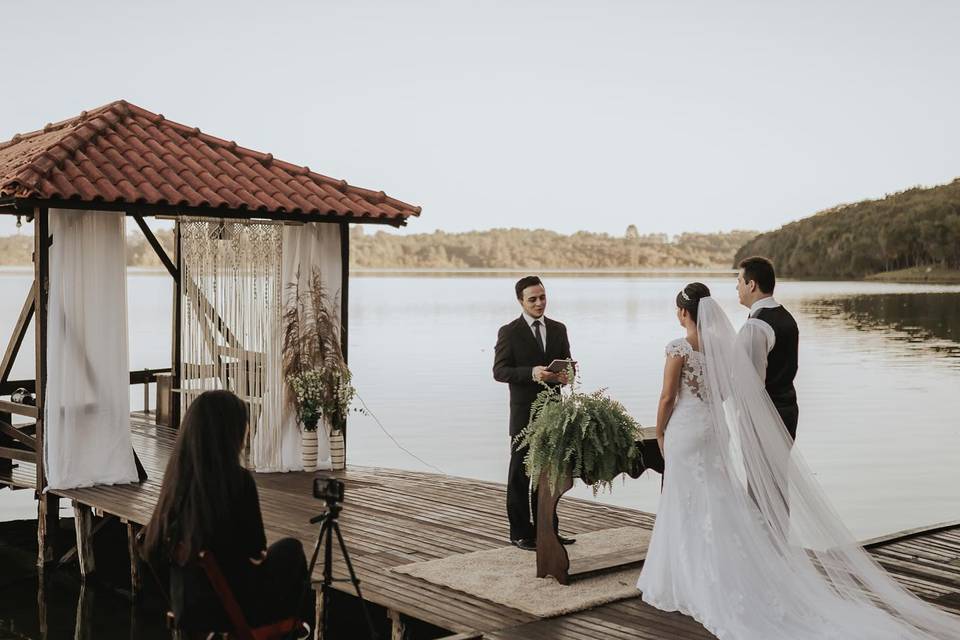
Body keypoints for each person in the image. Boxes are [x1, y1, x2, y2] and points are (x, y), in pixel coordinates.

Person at [636, 283, 960, 639]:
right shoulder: (722, 349)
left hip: (685, 430)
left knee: (685, 503)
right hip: (713, 431)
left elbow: (668, 397)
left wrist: (663, 431)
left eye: (677, 310)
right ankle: (730, 570)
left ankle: (685, 578)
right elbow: (728, 391)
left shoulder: (678, 347)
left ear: (684, 313)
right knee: (718, 499)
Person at [141, 390, 308, 632]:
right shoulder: (237, 481)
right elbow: (256, 549)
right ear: (229, 433)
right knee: (291, 550)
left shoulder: (176, 480)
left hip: (188, 606)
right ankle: (295, 630)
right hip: (229, 609)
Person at [493, 276, 575, 551]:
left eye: (542, 297)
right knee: (520, 475)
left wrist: (566, 376)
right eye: (533, 299)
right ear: (521, 301)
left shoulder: (559, 328)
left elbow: (567, 365)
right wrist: (531, 373)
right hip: (523, 415)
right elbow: (499, 371)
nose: (539, 303)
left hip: (553, 415)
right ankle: (520, 533)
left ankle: (548, 531)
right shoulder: (509, 331)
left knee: (550, 474)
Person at [735, 256, 800, 439]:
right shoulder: (786, 316)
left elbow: (752, 385)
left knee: (757, 469)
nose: (737, 287)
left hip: (764, 419)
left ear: (752, 285)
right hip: (788, 411)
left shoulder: (756, 326)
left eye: (739, 281)